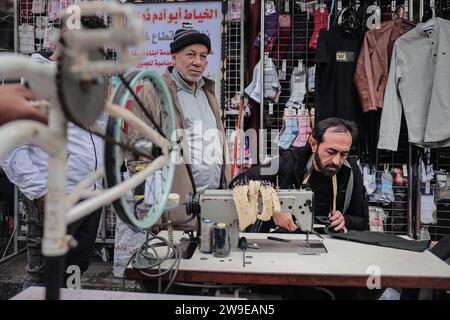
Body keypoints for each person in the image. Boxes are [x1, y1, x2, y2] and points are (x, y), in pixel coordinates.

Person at [0, 16, 106, 289]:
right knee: (44, 280)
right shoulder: (37, 73)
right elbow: (10, 143)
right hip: (57, 197)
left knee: (73, 275)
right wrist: (40, 192)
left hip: (89, 196)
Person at [146, 28, 230, 229]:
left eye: (203, 56)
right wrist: (152, 207)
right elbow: (140, 153)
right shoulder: (156, 93)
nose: (198, 62)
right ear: (174, 57)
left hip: (212, 204)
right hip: (178, 209)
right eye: (190, 55)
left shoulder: (208, 93)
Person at [231, 117, 368, 233]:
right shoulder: (289, 163)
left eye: (343, 154)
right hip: (286, 246)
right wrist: (272, 208)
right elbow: (237, 184)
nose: (336, 161)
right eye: (331, 152)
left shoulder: (350, 170)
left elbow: (362, 221)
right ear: (314, 144)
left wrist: (345, 220)